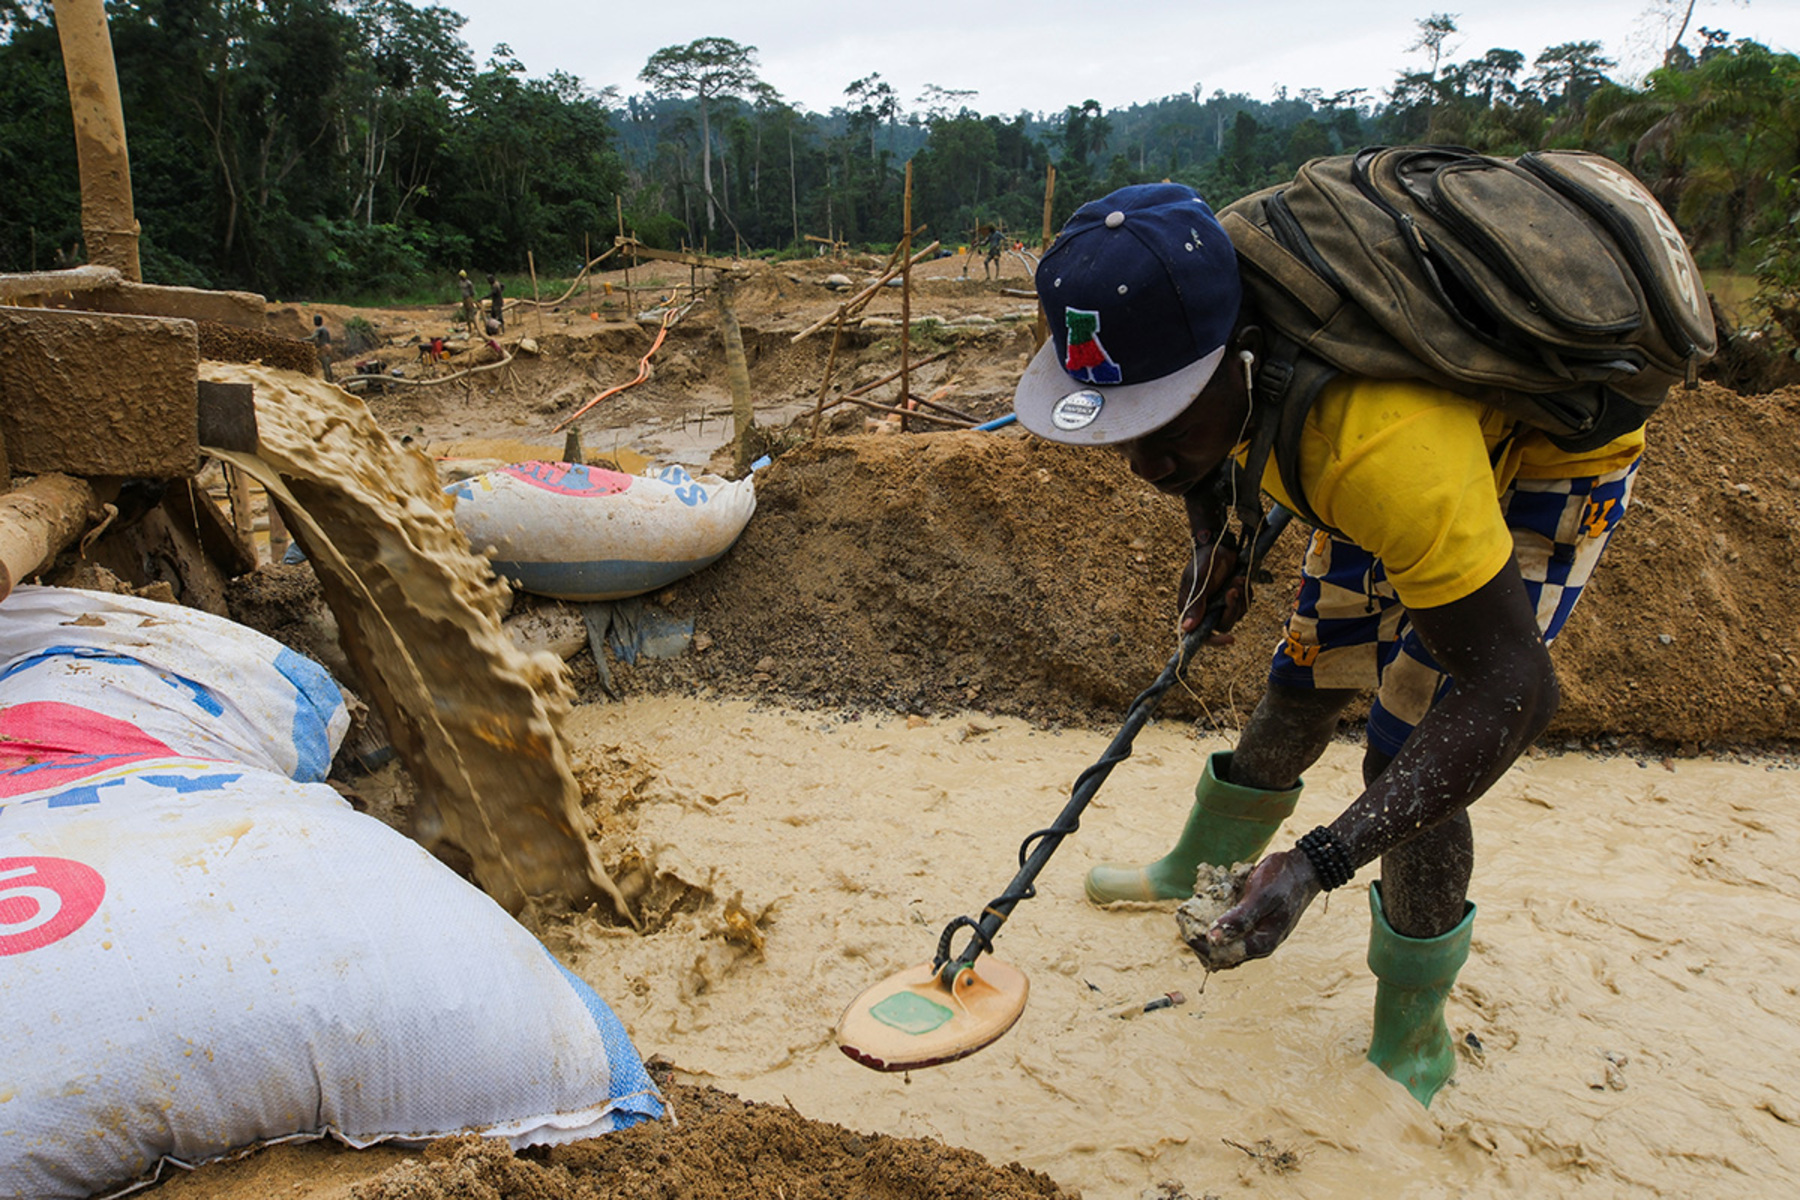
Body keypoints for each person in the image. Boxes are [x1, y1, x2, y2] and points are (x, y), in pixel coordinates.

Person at [1011, 183, 1644, 1107]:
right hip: (1353, 453)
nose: (1141, 466)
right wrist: (1212, 539)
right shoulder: (1212, 336)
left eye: (1163, 427)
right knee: (1310, 669)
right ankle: (1204, 868)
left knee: (1406, 742)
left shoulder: (1378, 454)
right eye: (1123, 433)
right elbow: (1194, 443)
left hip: (1544, 463)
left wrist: (1321, 862)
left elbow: (1514, 689)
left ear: (1242, 361)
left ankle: (1412, 1029)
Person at [309, 312, 335, 382]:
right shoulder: (325, 329)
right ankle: (331, 379)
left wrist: (303, 339)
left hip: (323, 347)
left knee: (325, 365)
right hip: (328, 347)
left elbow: (312, 338)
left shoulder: (319, 329)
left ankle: (328, 380)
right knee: (328, 364)